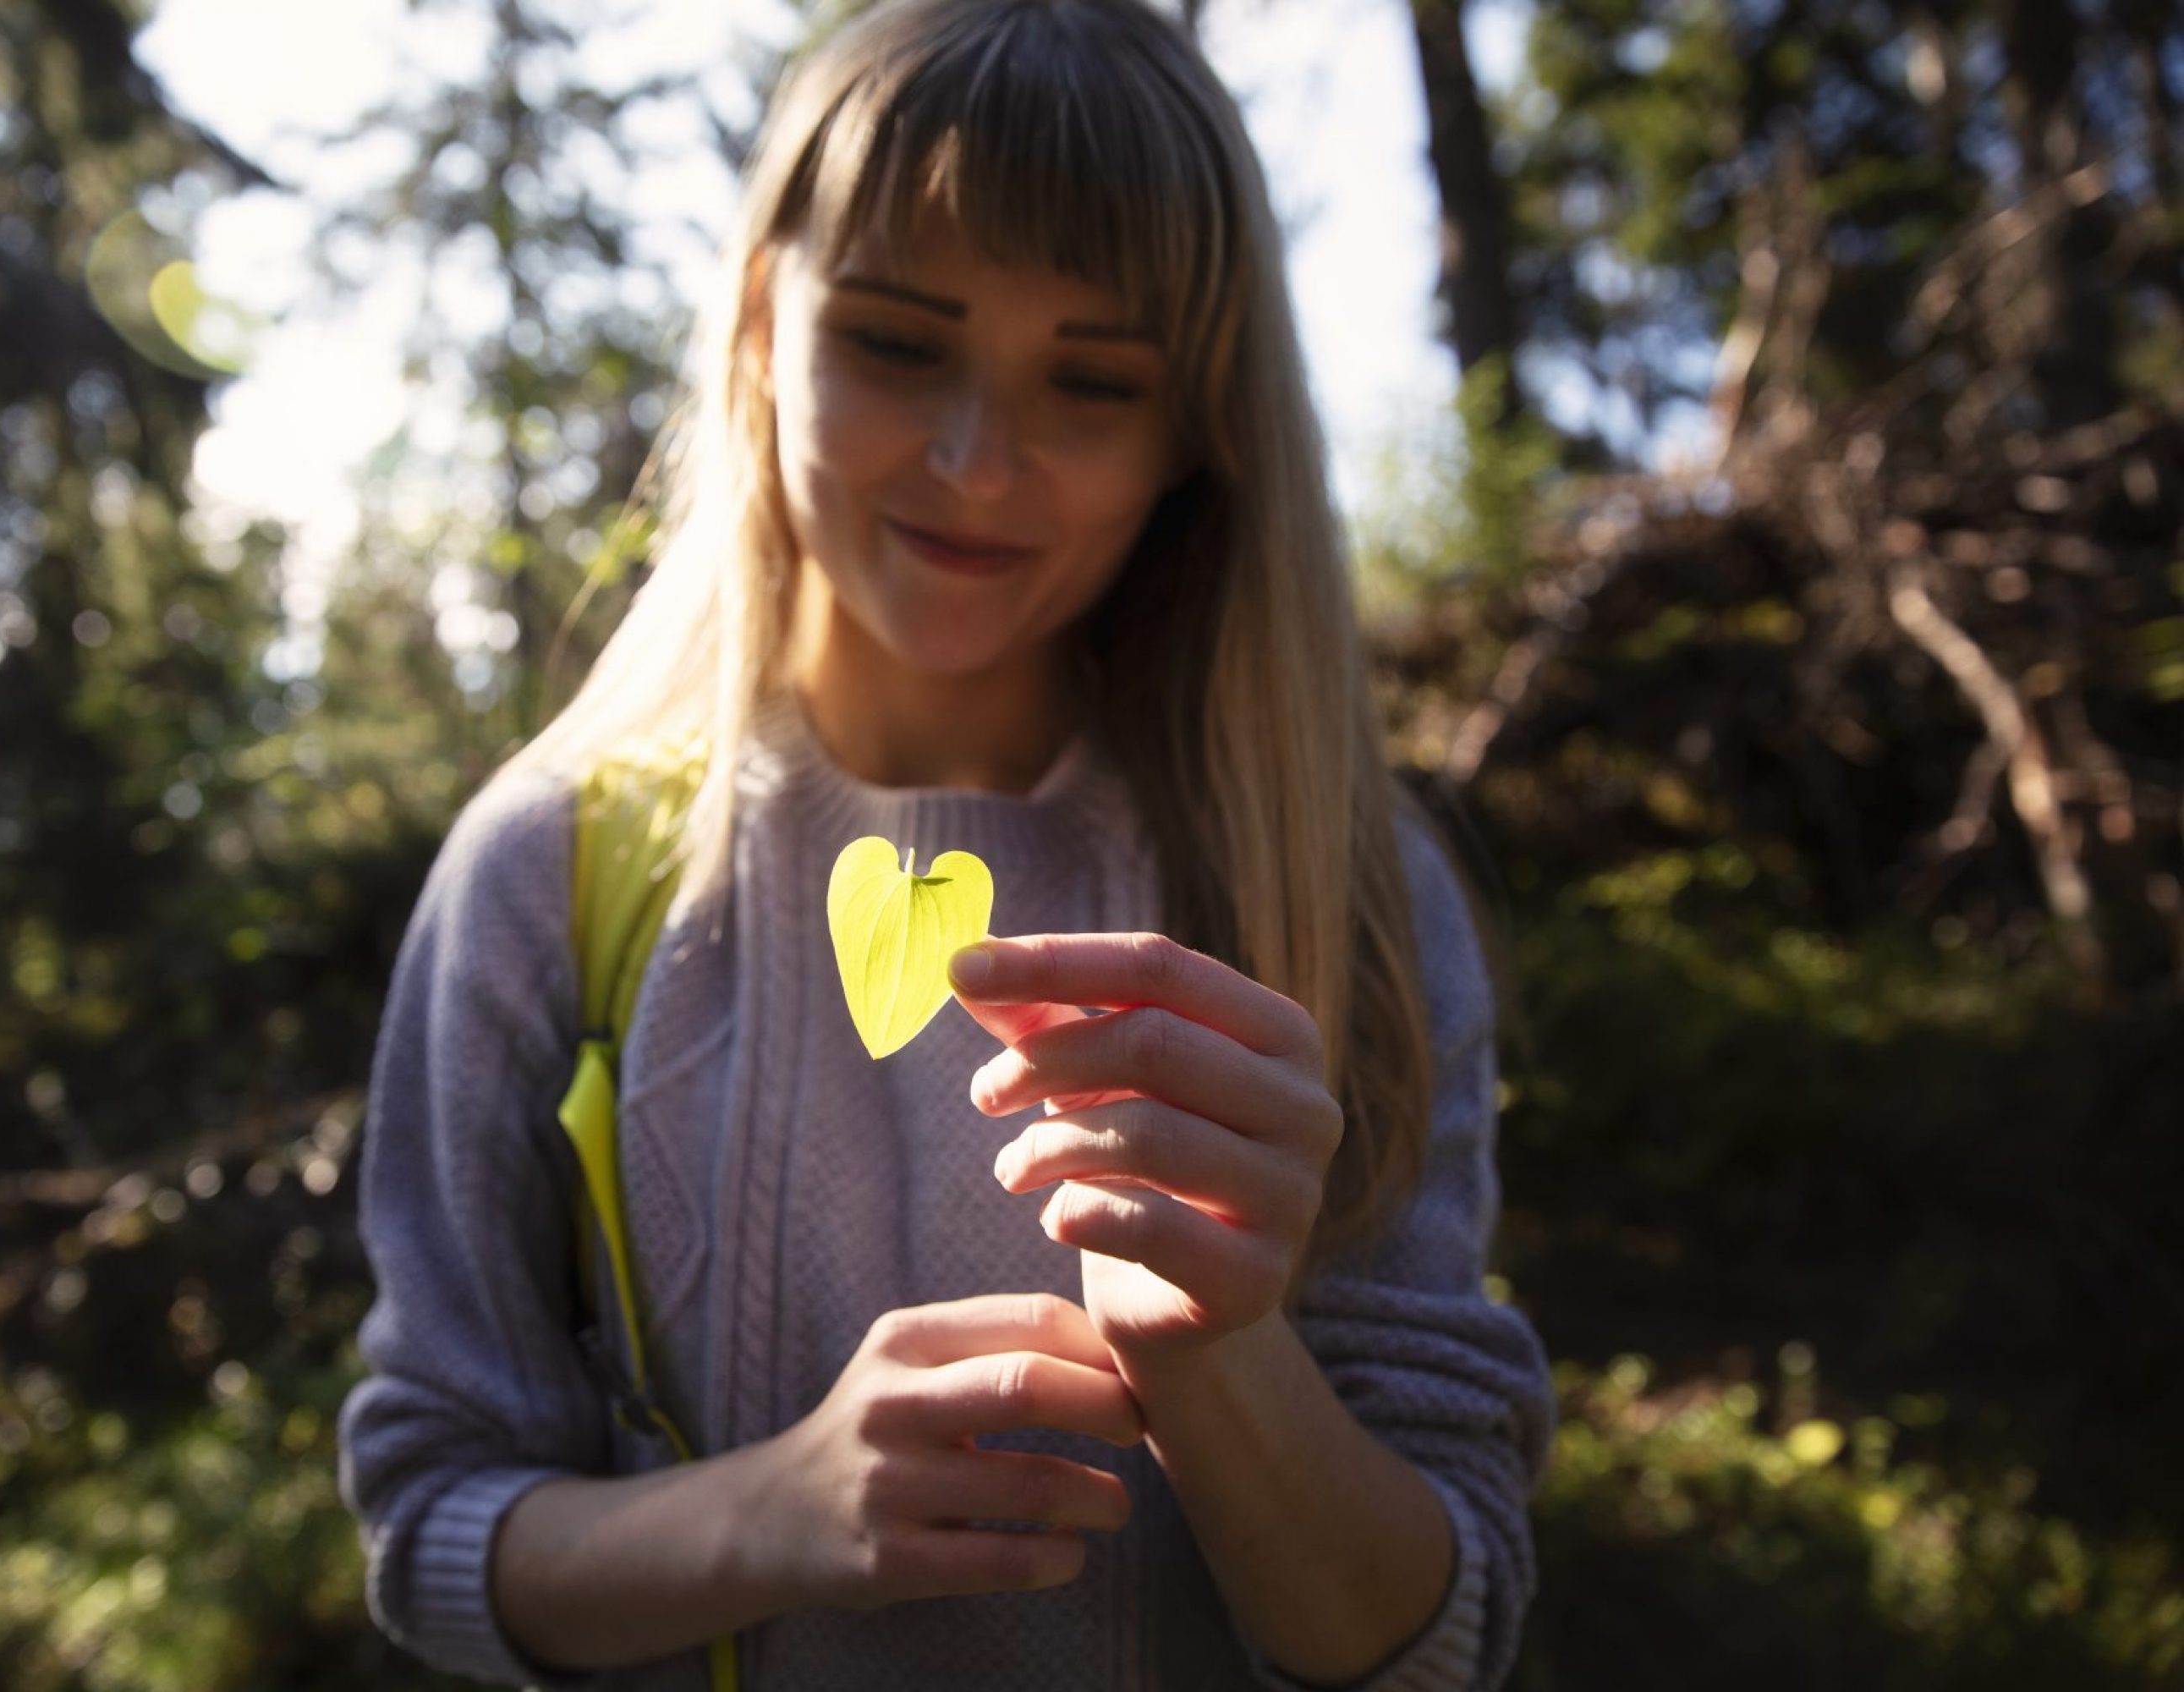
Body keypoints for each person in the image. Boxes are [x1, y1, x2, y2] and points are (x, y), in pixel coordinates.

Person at [337, 0, 1556, 1686]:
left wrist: (1221, 1351)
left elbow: (1443, 1629)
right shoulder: (549, 872)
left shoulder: (1331, 891)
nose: (981, 463)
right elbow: (428, 1520)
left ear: (1198, 431)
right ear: (768, 324)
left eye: (1094, 380)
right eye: (902, 344)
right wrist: (767, 1514)